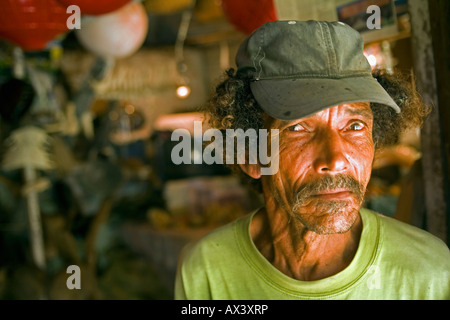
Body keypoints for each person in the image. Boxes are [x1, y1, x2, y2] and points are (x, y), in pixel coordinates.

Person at [174, 20, 450, 299]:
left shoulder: (430, 272)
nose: (336, 159)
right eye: (297, 128)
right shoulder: (206, 271)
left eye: (354, 126)